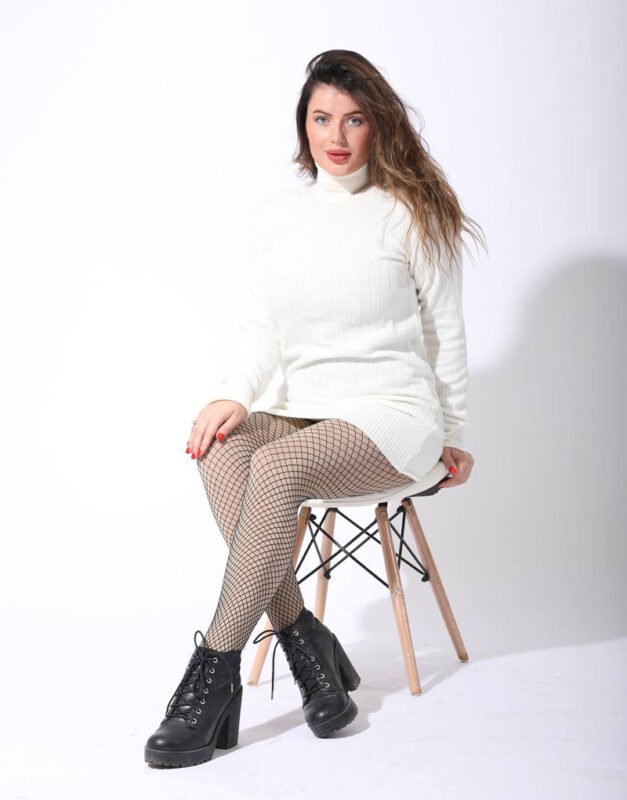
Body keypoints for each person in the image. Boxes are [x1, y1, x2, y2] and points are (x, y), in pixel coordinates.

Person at [144, 49, 484, 768]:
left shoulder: (410, 214)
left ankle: (212, 677)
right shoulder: (278, 218)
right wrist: (233, 394)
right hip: (307, 407)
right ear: (303, 125)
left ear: (378, 126)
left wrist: (454, 432)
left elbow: (444, 333)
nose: (336, 135)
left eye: (354, 119)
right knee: (224, 447)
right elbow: (262, 329)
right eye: (322, 118)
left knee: (276, 467)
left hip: (392, 415)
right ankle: (306, 641)